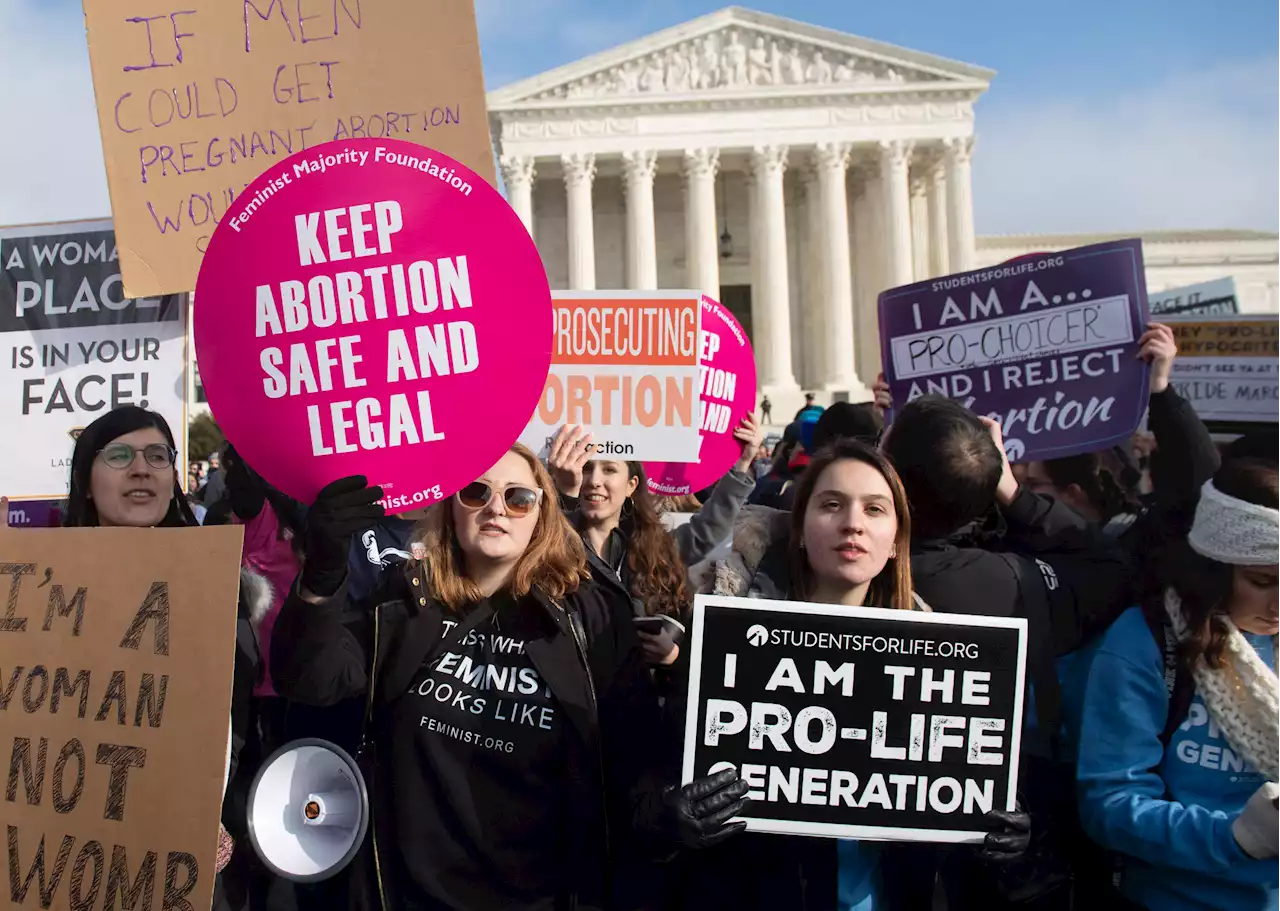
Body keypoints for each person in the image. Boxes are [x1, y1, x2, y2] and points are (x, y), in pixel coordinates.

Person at [270, 445, 749, 911]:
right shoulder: (401, 599)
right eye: (476, 493)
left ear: (542, 515)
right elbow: (311, 680)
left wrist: (666, 818)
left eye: (518, 498)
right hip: (406, 892)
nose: (496, 509)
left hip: (544, 894)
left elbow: (629, 762)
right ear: (451, 510)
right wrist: (322, 574)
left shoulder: (593, 618)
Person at [685, 439, 1026, 909]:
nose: (853, 524)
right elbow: (645, 790)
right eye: (831, 505)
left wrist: (997, 839)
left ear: (896, 542)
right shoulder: (725, 648)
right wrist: (673, 816)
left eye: (875, 509)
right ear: (800, 530)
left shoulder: (945, 666)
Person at [878, 397, 1130, 909]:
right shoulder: (1014, 584)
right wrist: (1010, 488)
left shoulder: (824, 560)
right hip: (982, 835)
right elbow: (1108, 563)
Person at [38, 405, 267, 911]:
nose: (141, 468)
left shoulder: (224, 599)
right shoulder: (35, 600)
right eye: (119, 455)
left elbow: (236, 736)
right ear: (85, 478)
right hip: (60, 865)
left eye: (157, 456)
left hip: (186, 872)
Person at [1075, 457, 1280, 911]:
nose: (1278, 604)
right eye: (1263, 581)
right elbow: (1109, 804)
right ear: (1216, 567)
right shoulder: (1146, 639)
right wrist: (1237, 837)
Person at [546, 417, 762, 667]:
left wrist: (671, 655)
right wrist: (564, 498)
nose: (594, 480)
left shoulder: (657, 548)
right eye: (586, 468)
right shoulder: (551, 542)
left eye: (609, 469)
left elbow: (710, 528)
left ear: (631, 485)